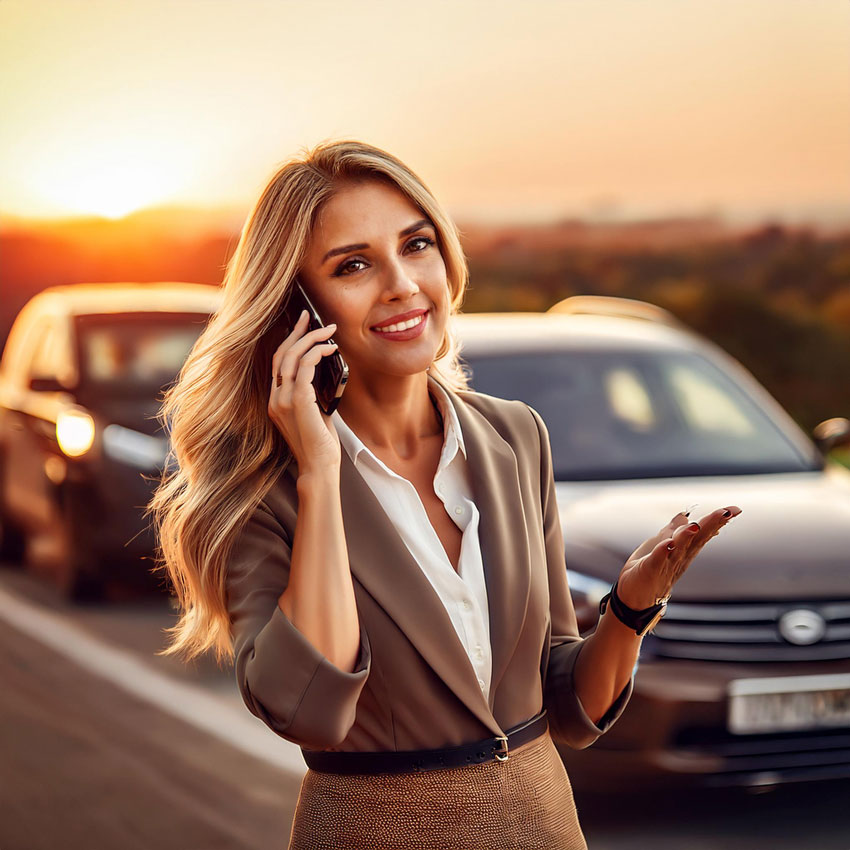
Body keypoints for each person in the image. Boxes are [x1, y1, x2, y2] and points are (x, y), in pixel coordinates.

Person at [149, 139, 742, 849]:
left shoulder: (516, 437)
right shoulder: (261, 491)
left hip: (547, 826)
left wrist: (630, 608)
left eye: (416, 244)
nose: (401, 283)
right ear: (297, 307)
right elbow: (310, 709)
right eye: (354, 264)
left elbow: (568, 705)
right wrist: (318, 472)